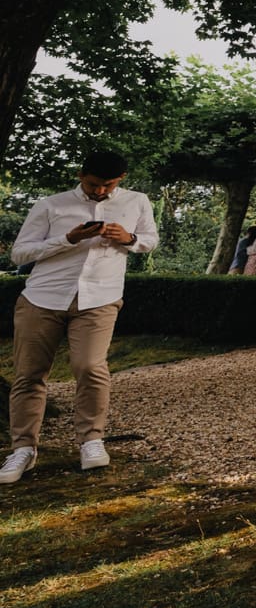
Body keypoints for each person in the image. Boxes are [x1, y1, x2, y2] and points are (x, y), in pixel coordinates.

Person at [3, 150, 157, 485]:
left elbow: (150, 240)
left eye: (108, 185)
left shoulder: (137, 201)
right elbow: (20, 252)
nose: (100, 191)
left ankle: (91, 440)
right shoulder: (50, 205)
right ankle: (23, 449)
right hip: (42, 297)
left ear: (121, 180)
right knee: (29, 374)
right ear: (80, 175)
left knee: (90, 367)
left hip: (100, 298)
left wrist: (129, 239)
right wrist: (68, 239)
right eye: (93, 184)